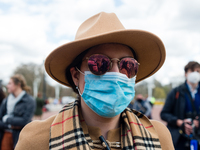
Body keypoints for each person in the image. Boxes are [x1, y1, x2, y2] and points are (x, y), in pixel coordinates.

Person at [15, 12, 174, 150]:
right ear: (76, 75)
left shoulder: (159, 137)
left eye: (127, 65)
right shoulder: (36, 140)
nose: (116, 73)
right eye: (99, 63)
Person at [161, 61, 200, 150]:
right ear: (185, 74)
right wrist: (179, 122)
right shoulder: (175, 92)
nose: (195, 74)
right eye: (192, 71)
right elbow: (164, 113)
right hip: (179, 139)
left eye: (198, 71)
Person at [0, 74, 36, 150]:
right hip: (6, 135)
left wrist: (7, 119)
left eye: (10, 83)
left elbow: (25, 121)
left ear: (18, 85)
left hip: (21, 136)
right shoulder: (5, 101)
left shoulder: (29, 101)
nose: (7, 86)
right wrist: (10, 126)